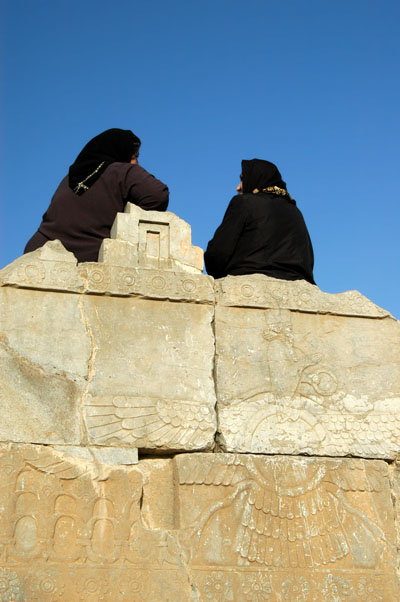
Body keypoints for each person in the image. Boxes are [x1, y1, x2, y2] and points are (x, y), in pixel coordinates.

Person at [24, 128, 169, 263]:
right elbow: (158, 195)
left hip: (36, 257)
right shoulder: (122, 172)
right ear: (121, 154)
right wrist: (128, 212)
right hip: (83, 264)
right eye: (134, 157)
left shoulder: (69, 179)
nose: (137, 163)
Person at [204, 159, 315, 284]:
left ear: (256, 178)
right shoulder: (296, 213)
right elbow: (308, 262)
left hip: (246, 285)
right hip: (300, 289)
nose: (238, 187)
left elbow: (217, 254)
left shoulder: (244, 203)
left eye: (242, 179)